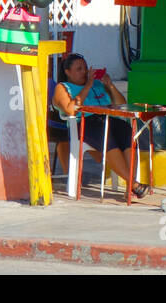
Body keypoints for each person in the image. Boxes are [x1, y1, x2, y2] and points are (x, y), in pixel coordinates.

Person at [52, 53, 149, 198]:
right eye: (79, 69)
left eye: (85, 68)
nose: (84, 72)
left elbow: (121, 105)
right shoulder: (63, 87)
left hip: (106, 118)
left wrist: (110, 85)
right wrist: (88, 85)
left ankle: (131, 186)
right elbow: (71, 109)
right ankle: (133, 184)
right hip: (84, 122)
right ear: (68, 72)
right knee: (107, 137)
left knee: (127, 132)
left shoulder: (98, 85)